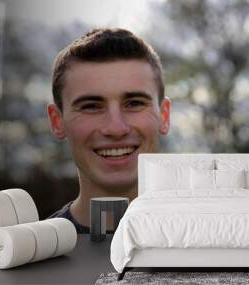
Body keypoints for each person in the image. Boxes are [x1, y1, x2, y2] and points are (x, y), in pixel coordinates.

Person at [47, 28, 171, 233]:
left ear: (164, 116)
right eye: (91, 106)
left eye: (134, 103)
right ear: (57, 121)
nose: (116, 128)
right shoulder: (36, 256)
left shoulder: (209, 247)